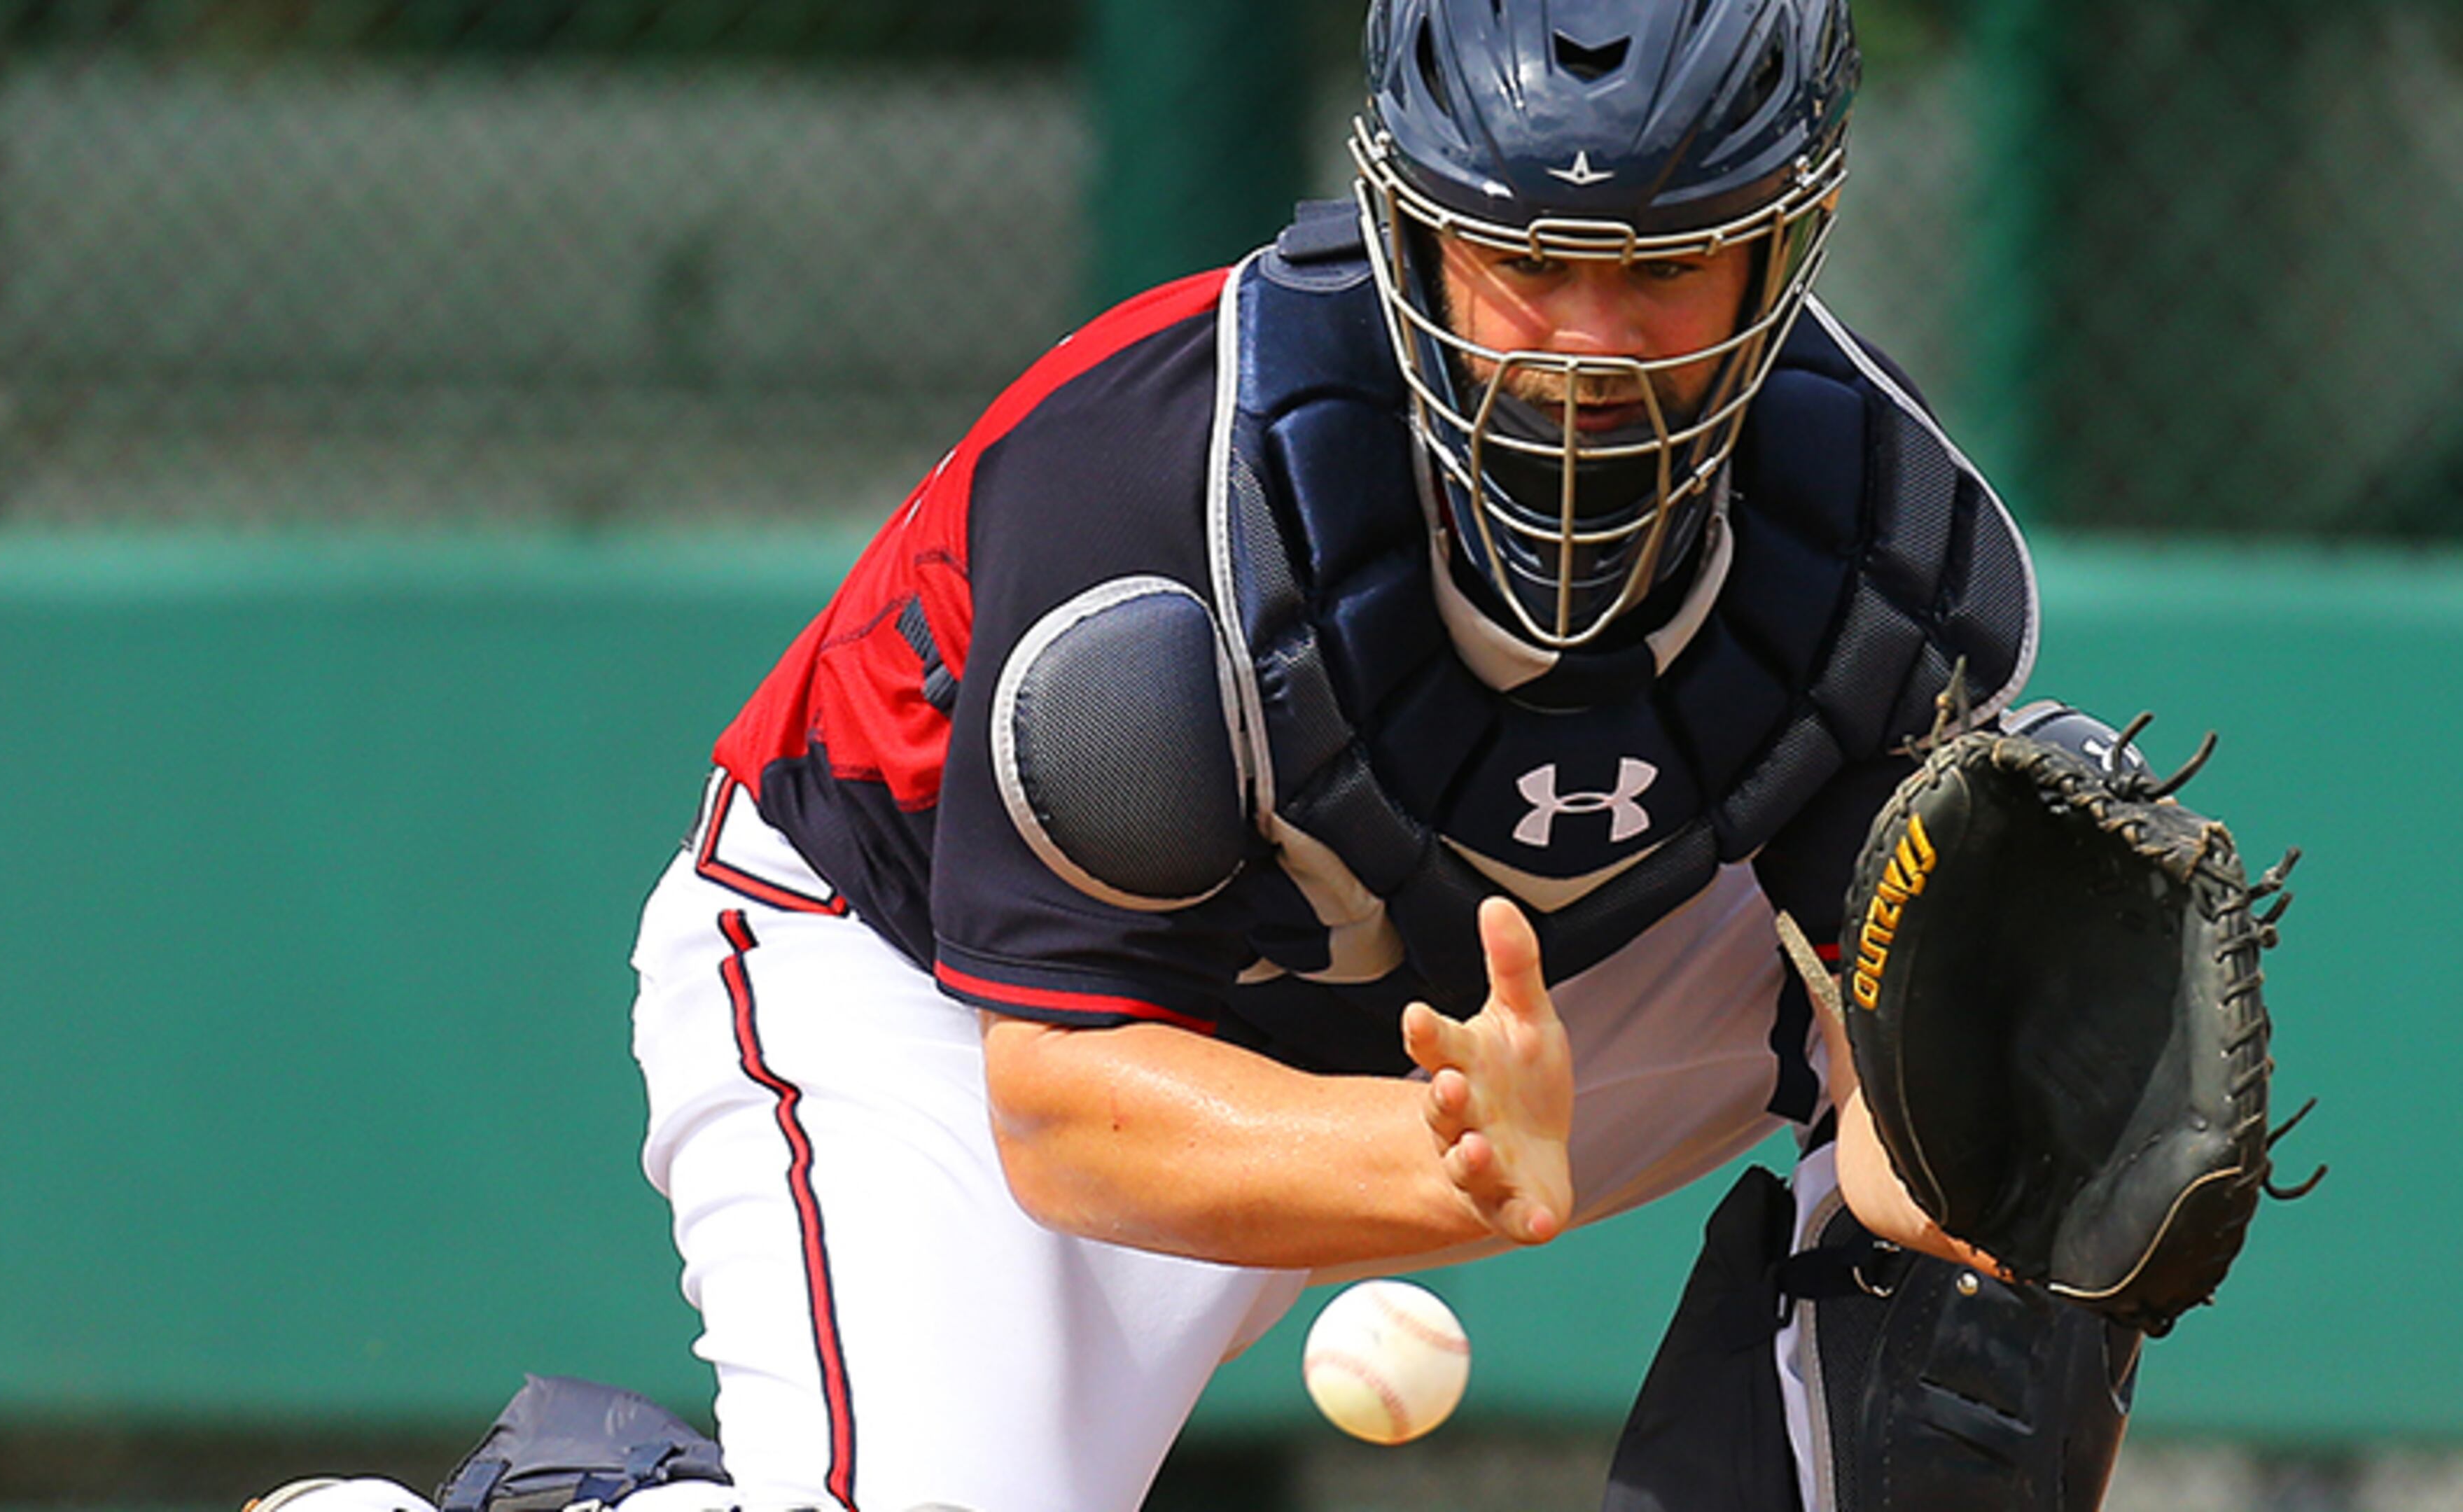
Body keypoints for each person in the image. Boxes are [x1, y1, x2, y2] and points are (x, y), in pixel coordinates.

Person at [627, 2, 2138, 1509]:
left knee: (2007, 956)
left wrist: (1975, 1151)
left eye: (1665, 266)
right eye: (1529, 262)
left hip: (1488, 1022)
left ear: (1780, 243)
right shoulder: (1162, 473)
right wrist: (1431, 1156)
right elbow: (1056, 1112)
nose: (1590, 345)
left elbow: (1883, 1080)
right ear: (1411, 233)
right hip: (931, 999)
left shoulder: (1865, 524)